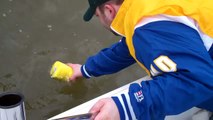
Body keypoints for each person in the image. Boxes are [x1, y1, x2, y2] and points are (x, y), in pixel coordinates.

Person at [67, 0, 213, 119]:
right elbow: (126, 49)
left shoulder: (147, 27)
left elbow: (196, 80)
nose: (100, 21)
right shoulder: (146, 8)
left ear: (109, 10)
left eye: (98, 16)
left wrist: (125, 106)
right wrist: (85, 69)